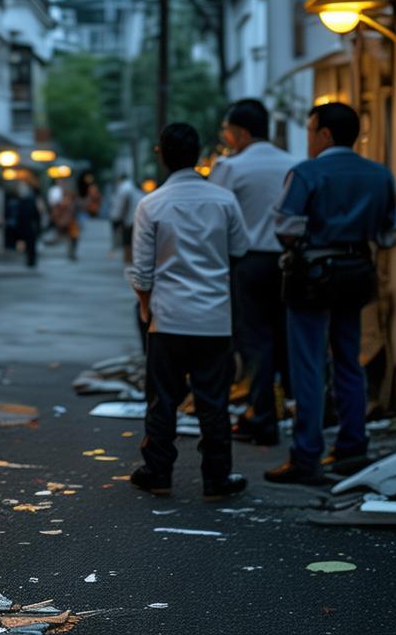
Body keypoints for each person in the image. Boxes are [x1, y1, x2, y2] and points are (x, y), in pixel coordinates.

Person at [265, 102, 396, 485]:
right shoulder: (380, 175)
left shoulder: (307, 173)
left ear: (325, 134)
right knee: (348, 357)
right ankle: (351, 446)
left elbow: (286, 226)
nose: (308, 138)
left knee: (308, 363)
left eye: (310, 131)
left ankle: (306, 455)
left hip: (312, 274)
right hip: (357, 271)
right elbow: (390, 234)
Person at [126, 123, 251, 501]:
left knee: (163, 397)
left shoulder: (151, 204)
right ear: (198, 156)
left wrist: (147, 310)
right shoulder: (224, 200)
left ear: (161, 155)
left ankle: (158, 472)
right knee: (214, 401)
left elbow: (142, 272)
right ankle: (217, 478)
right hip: (214, 318)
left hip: (168, 317)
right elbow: (240, 250)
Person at [209, 99, 297, 446]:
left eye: (227, 131)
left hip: (248, 262)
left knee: (255, 341)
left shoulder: (230, 167)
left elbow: (213, 217)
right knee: (285, 338)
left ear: (241, 132)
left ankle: (262, 417)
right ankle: (288, 410)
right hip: (289, 260)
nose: (226, 138)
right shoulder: (293, 163)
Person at [111, 172, 143, 265]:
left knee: (128, 245)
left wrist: (117, 218)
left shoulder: (124, 188)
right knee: (134, 245)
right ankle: (131, 266)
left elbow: (122, 205)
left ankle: (129, 268)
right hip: (137, 218)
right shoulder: (132, 186)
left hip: (130, 220)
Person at [13, 182, 42, 267]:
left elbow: (36, 215)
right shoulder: (23, 201)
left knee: (30, 245)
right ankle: (30, 260)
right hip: (27, 227)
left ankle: (31, 261)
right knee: (29, 245)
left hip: (28, 227)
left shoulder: (27, 201)